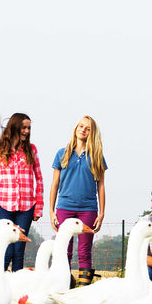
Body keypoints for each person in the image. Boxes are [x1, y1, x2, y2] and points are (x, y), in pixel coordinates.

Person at [50, 115, 107, 287]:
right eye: (80, 126)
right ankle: (63, 285)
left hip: (88, 208)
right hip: (64, 206)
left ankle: (83, 290)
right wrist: (51, 210)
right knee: (64, 249)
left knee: (84, 250)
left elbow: (101, 186)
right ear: (75, 128)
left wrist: (102, 213)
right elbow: (54, 184)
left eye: (87, 128)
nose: (83, 129)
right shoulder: (62, 153)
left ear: (92, 133)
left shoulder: (96, 156)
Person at [0, 112, 44, 271]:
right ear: (15, 127)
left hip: (26, 207)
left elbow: (39, 179)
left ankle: (18, 286)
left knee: (19, 249)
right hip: (4, 206)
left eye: (29, 128)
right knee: (6, 248)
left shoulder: (31, 150)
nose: (26, 131)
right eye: (23, 127)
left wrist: (38, 207)